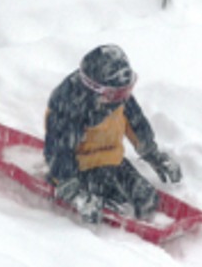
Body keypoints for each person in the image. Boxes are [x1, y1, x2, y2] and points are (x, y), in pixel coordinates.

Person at [44, 44, 182, 224]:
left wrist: (152, 153)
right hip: (80, 168)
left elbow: (136, 123)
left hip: (112, 161)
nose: (124, 97)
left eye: (127, 90)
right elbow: (59, 149)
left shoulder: (118, 97)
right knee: (117, 204)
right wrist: (71, 187)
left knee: (146, 198)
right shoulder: (69, 105)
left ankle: (131, 206)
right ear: (98, 89)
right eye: (119, 93)